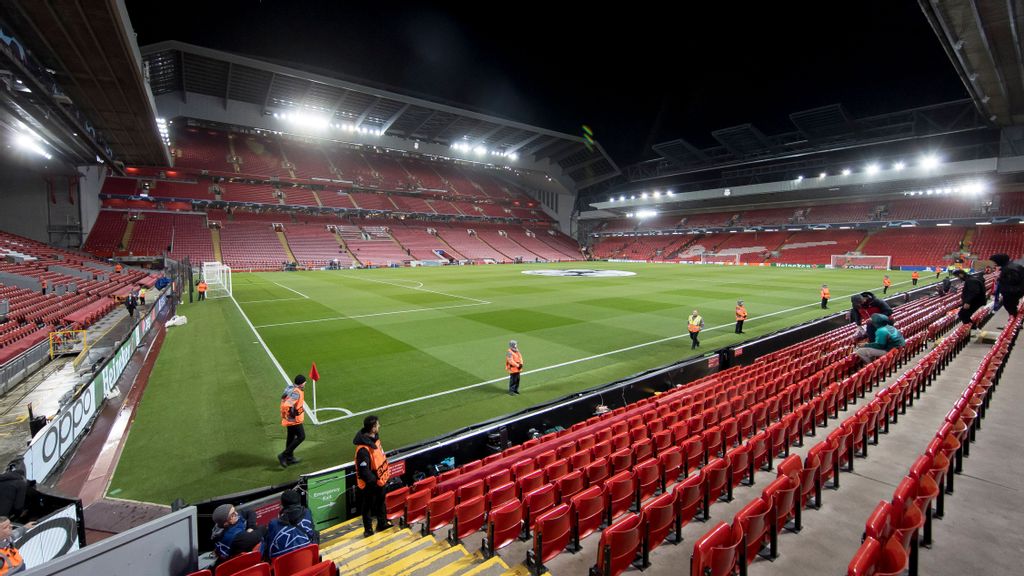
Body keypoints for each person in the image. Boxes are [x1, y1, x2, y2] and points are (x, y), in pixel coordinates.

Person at [354, 416, 391, 537]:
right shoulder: (363, 450)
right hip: (371, 484)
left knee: (381, 502)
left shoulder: (375, 440)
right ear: (373, 428)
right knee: (367, 506)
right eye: (377, 425)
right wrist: (375, 482)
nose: (379, 426)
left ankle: (382, 523)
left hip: (380, 480)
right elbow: (364, 472)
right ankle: (368, 530)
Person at [262, 489, 319, 561]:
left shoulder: (274, 524)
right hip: (308, 559)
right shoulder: (307, 512)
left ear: (282, 505)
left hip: (283, 566)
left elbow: (268, 553)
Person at [278, 375, 306, 468]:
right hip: (293, 420)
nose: (305, 384)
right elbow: (287, 404)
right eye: (304, 382)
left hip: (288, 418)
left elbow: (283, 398)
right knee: (301, 436)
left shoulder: (291, 388)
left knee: (290, 437)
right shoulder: (296, 392)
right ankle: (284, 455)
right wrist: (292, 413)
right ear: (301, 383)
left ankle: (289, 458)